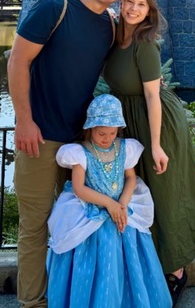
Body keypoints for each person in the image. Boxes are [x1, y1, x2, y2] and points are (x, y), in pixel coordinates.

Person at [7, 0, 135, 308]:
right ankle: (33, 301)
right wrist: (24, 120)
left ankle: (73, 294)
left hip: (82, 143)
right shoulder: (55, 8)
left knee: (81, 218)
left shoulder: (109, 27)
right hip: (41, 136)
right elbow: (18, 60)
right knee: (35, 223)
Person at [102, 0, 195, 305]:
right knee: (139, 193)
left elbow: (152, 96)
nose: (134, 9)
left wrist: (156, 145)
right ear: (121, 4)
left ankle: (176, 271)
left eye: (142, 5)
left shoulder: (144, 43)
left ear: (150, 12)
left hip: (157, 124)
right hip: (130, 120)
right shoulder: (115, 37)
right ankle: (147, 264)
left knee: (166, 194)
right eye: (129, 2)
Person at [46, 94, 172, 308]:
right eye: (101, 133)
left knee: (127, 250)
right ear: (90, 129)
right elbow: (78, 188)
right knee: (102, 254)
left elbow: (130, 177)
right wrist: (109, 204)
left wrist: (121, 204)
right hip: (90, 208)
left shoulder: (124, 148)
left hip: (121, 206)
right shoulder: (81, 153)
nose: (106, 138)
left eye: (112, 133)